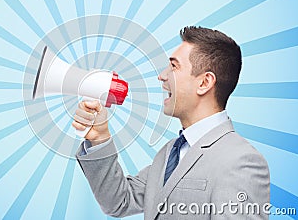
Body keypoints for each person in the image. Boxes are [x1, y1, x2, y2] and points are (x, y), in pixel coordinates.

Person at [72, 26, 270, 219]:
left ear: (204, 83)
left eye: (174, 66)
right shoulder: (168, 154)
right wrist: (99, 138)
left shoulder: (241, 162)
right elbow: (119, 202)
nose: (162, 76)